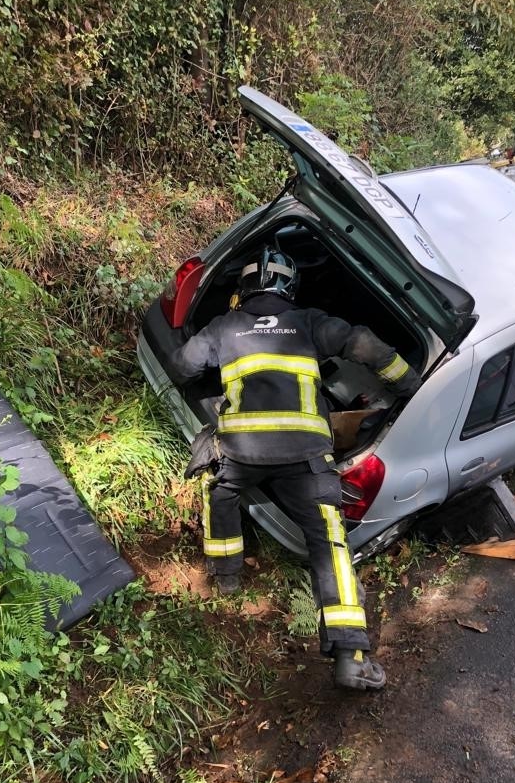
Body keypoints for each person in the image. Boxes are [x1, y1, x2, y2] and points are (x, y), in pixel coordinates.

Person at [168, 246, 422, 691]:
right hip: (305, 459)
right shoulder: (309, 322)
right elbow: (363, 344)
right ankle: (351, 656)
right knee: (328, 544)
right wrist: (406, 381)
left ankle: (225, 578)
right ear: (290, 287)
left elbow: (182, 365)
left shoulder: (225, 326)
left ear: (243, 289)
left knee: (222, 492)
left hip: (243, 454)